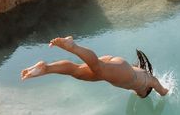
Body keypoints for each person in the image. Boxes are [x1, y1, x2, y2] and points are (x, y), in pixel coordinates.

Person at [20, 36, 169, 98]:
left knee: (77, 72)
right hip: (122, 71)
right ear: (146, 91)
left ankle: (46, 68)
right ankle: (73, 46)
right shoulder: (150, 81)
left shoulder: (143, 78)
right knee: (98, 67)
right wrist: (167, 90)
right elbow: (163, 92)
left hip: (116, 65)